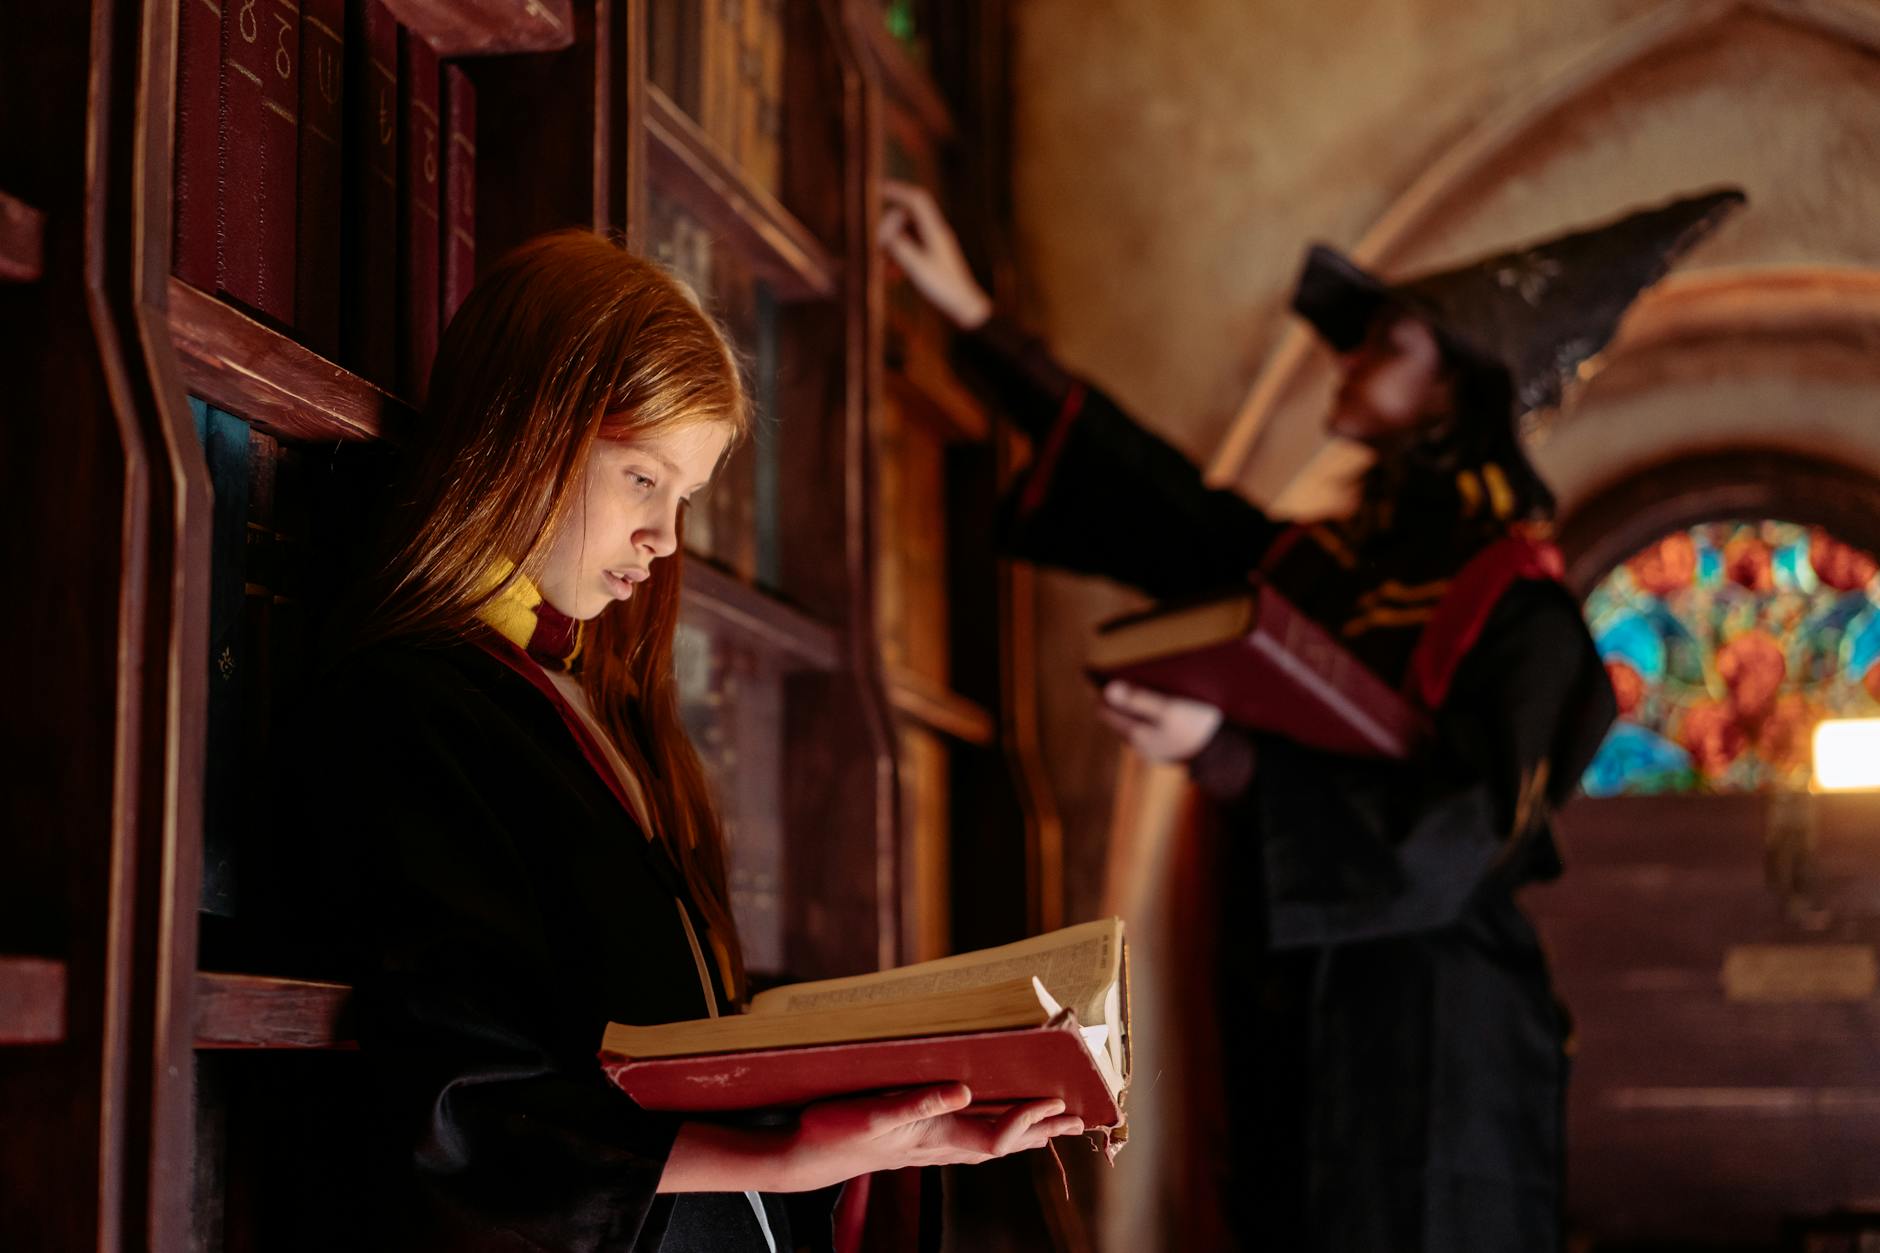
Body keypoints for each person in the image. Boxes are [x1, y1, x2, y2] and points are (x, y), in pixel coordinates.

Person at [883, 182, 1743, 1250]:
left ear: (1450, 391)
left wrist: (1227, 754)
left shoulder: (1527, 619)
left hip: (1435, 1051)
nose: (1346, 358)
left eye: (1383, 343)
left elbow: (1454, 838)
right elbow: (1168, 504)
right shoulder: (1334, 573)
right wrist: (972, 318)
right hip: (1295, 1011)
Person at [292, 230, 1084, 1253]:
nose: (665, 539)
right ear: (528, 432)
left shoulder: (598, 708)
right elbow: (464, 1106)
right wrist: (788, 1158)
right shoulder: (405, 706)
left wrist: (891, 1128)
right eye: (641, 478)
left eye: (685, 497)